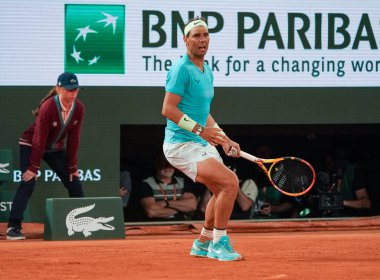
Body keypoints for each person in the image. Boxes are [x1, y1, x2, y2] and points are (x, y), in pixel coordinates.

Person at [162, 17, 242, 261]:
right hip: (180, 145)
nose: (202, 40)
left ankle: (203, 242)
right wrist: (200, 132)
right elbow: (168, 109)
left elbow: (203, 111)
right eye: (196, 36)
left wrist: (223, 137)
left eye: (205, 35)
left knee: (221, 189)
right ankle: (219, 244)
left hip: (199, 141)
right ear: (185, 40)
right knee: (230, 183)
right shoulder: (180, 69)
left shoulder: (206, 69)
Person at [6, 72, 85, 240]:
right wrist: (34, 167)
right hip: (31, 144)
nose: (73, 93)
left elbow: (74, 139)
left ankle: (78, 225)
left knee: (74, 183)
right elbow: (39, 138)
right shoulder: (48, 107)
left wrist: (72, 166)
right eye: (69, 90)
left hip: (54, 149)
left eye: (76, 90)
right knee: (28, 182)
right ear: (58, 89)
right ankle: (13, 227)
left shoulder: (79, 108)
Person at [138, 153, 197, 220]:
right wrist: (181, 209)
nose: (168, 167)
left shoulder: (182, 182)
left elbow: (192, 206)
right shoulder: (147, 183)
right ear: (156, 165)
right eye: (163, 164)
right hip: (157, 226)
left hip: (181, 226)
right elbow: (151, 212)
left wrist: (166, 203)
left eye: (171, 164)